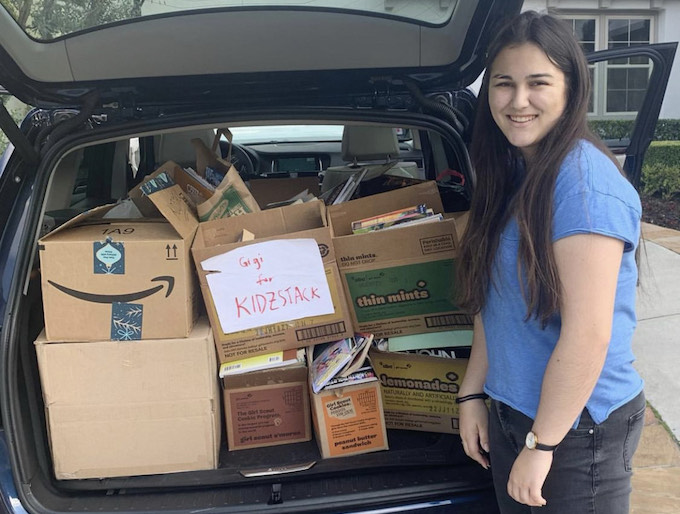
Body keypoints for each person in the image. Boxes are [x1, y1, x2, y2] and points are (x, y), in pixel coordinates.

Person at [456, 10, 645, 514]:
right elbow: (494, 300)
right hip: (517, 410)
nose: (518, 101)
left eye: (537, 83)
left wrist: (542, 445)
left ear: (571, 88)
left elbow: (588, 335)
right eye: (504, 84)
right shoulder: (514, 172)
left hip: (577, 427)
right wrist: (472, 394)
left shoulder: (584, 186)